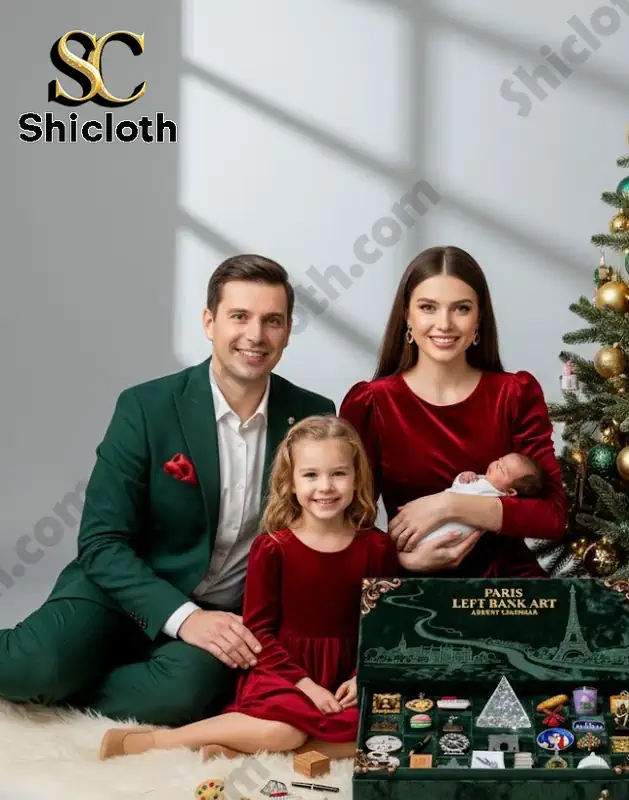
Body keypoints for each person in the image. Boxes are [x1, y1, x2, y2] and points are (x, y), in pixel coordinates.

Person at [0, 255, 335, 726]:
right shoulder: (146, 406)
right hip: (119, 594)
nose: (255, 335)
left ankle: (66, 689)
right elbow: (101, 541)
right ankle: (55, 673)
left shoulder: (312, 415)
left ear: (286, 330)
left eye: (272, 321)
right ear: (209, 321)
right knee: (29, 668)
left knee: (183, 696)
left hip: (224, 615)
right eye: (239, 316)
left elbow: (325, 531)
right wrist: (182, 616)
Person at [99, 416, 396, 758]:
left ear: (357, 478)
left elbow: (383, 627)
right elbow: (259, 630)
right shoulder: (273, 548)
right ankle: (151, 741)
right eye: (311, 475)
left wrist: (361, 677)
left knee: (381, 729)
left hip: (346, 672)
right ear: (291, 483)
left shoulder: (376, 547)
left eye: (338, 473)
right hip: (284, 670)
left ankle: (239, 749)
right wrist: (306, 686)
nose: (325, 487)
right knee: (283, 731)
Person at [340, 246, 567, 577]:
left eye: (461, 308)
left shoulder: (515, 394)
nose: (444, 324)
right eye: (428, 307)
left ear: (479, 318)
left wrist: (448, 504)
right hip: (410, 587)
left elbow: (552, 516)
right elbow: (344, 521)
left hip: (510, 593)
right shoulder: (372, 403)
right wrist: (400, 560)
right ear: (407, 316)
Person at [417, 452, 542, 547]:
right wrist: (464, 476)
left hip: (454, 530)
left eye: (501, 469)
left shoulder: (497, 497)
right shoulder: (481, 478)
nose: (496, 464)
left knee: (433, 538)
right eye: (499, 461)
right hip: (439, 509)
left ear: (510, 492)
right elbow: (457, 487)